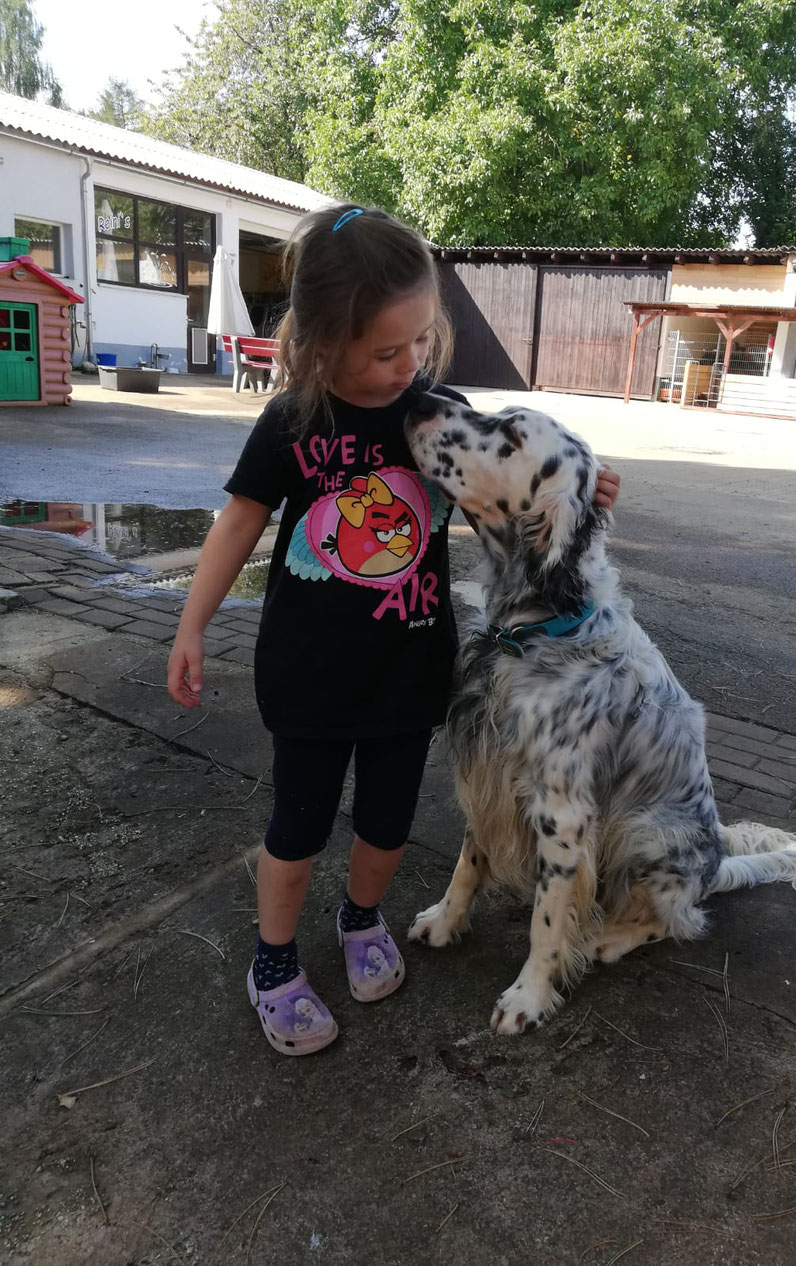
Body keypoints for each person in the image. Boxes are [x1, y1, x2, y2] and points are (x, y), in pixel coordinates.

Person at [167, 205, 621, 1056]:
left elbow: (511, 462)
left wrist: (582, 482)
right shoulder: (294, 423)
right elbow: (237, 524)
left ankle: (361, 917)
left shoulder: (428, 413)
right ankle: (272, 961)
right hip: (308, 677)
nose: (410, 366)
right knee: (296, 831)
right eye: (386, 352)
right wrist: (192, 626)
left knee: (385, 826)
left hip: (410, 674)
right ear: (322, 343)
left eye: (420, 342)